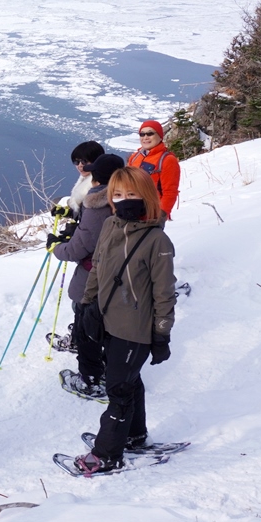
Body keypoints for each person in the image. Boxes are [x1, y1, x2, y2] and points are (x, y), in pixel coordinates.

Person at [72, 166, 177, 475]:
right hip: (107, 322)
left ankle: (107, 454)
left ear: (146, 196)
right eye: (117, 195)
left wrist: (161, 336)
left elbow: (164, 295)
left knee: (118, 389)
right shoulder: (110, 226)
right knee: (130, 380)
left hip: (135, 331)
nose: (124, 200)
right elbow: (99, 269)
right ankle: (133, 434)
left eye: (132, 194)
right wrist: (86, 306)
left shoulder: (158, 241)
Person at [47, 154, 125, 374]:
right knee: (107, 321)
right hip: (121, 273)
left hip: (95, 275)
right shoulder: (127, 198)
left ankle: (91, 377)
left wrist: (56, 248)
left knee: (87, 320)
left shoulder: (98, 206)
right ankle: (111, 366)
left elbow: (78, 249)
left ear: (97, 180)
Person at [127, 119, 181, 220]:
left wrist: (161, 215)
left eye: (150, 133)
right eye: (142, 134)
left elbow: (170, 192)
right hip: (132, 212)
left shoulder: (167, 160)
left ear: (160, 136)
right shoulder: (134, 157)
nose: (145, 137)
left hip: (152, 215)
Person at [64, 141, 106, 216]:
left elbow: (94, 218)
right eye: (76, 162)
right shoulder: (86, 179)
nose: (80, 165)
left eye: (84, 161)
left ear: (97, 161)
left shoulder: (99, 187)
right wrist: (67, 213)